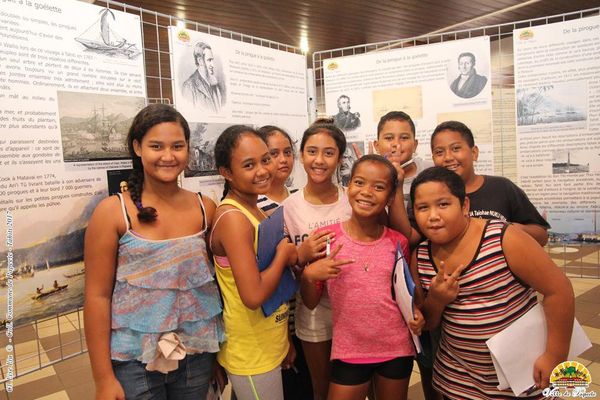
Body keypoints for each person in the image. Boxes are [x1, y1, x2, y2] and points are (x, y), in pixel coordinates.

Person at [84, 104, 224, 400]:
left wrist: (217, 353)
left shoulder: (205, 208)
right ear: (137, 147)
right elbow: (97, 297)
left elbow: (217, 284)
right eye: (156, 146)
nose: (168, 156)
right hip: (134, 360)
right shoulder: (113, 212)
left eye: (177, 146)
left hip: (196, 354)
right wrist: (103, 378)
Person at [409, 166, 574, 399]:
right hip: (457, 380)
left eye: (443, 204)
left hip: (520, 376)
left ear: (464, 205)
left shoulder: (503, 238)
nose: (433, 216)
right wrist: (437, 299)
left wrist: (555, 355)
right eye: (422, 208)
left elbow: (559, 289)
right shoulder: (422, 256)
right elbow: (430, 323)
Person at [301, 155, 423, 400]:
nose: (367, 192)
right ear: (348, 188)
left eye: (378, 187)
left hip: (396, 347)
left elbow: (407, 295)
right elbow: (311, 302)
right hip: (350, 349)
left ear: (389, 197)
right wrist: (308, 275)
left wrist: (416, 313)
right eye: (359, 183)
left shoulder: (397, 241)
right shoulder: (327, 239)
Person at [209, 125, 298, 400]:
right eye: (249, 165)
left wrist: (284, 340)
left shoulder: (254, 207)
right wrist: (284, 255)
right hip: (250, 349)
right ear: (226, 172)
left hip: (268, 338)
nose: (263, 170)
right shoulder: (234, 219)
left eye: (265, 159)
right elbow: (253, 294)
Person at [391, 120, 550, 248]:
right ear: (433, 158)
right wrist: (397, 187)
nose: (448, 157)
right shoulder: (426, 193)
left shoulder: (502, 187)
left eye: (456, 148)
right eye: (439, 152)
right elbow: (409, 238)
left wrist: (503, 230)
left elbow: (541, 236)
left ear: (474, 152)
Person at [282, 120, 351, 400]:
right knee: (321, 387)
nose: (319, 160)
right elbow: (285, 269)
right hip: (312, 310)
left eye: (328, 153)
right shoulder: (288, 207)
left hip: (352, 306)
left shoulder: (352, 201)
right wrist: (304, 259)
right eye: (311, 151)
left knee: (355, 383)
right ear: (301, 156)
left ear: (340, 159)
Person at [255, 125, 313, 400]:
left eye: (288, 152)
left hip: (304, 312)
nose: (282, 160)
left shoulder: (296, 198)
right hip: (275, 319)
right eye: (272, 154)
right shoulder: (256, 206)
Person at [374, 111, 433, 207]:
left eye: (404, 138)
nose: (396, 144)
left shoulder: (432, 171)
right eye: (389, 138)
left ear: (415, 145)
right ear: (377, 146)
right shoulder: (369, 179)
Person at [182, 42, 225, 113]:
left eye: (212, 60)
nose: (212, 65)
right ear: (200, 61)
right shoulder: (189, 86)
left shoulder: (216, 86)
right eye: (209, 60)